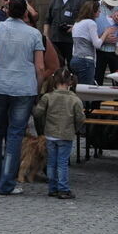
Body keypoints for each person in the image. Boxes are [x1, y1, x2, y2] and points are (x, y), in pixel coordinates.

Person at [0, 0, 45, 196]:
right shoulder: (34, 34)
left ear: (7, 11)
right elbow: (40, 67)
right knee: (15, 135)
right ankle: (7, 182)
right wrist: (38, 89)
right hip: (23, 88)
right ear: (25, 13)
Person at [33, 67, 85, 200]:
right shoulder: (75, 100)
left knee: (51, 162)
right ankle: (63, 189)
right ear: (70, 82)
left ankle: (52, 188)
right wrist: (76, 128)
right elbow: (80, 118)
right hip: (66, 135)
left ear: (54, 81)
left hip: (50, 133)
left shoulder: (47, 97)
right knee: (62, 162)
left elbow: (38, 113)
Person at [69, 0, 115, 86]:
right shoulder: (91, 23)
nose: (100, 12)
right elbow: (97, 44)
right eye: (98, 10)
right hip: (86, 61)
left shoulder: (77, 23)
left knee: (78, 89)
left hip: (74, 59)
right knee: (86, 90)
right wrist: (106, 32)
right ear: (92, 11)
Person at [44, 0, 86, 65]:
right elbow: (47, 20)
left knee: (73, 65)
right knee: (57, 65)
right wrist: (46, 36)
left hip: (72, 40)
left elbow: (86, 19)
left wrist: (75, 27)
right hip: (56, 39)